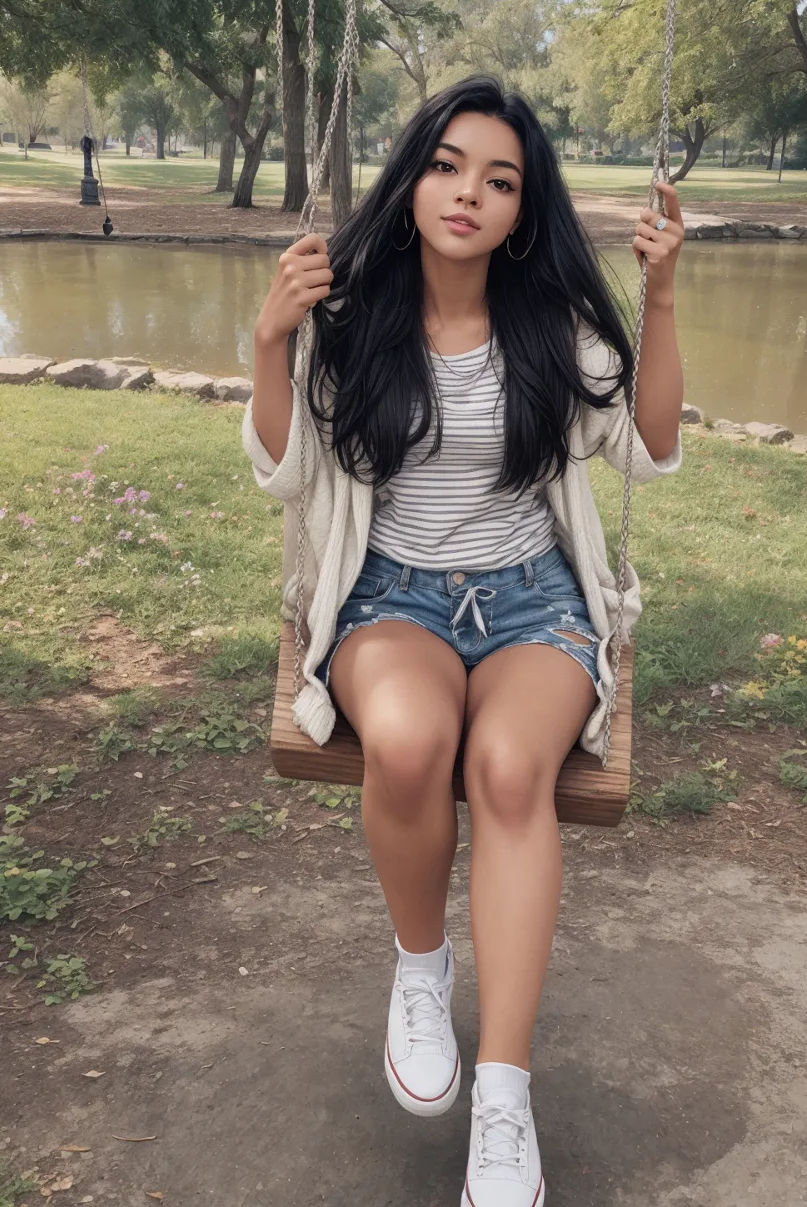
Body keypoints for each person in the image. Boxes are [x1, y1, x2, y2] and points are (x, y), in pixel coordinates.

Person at [243, 75, 684, 1206]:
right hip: (391, 597)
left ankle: (503, 1091)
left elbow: (646, 445)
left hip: (533, 601)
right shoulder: (352, 319)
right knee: (402, 742)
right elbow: (287, 473)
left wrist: (663, 295)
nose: (466, 193)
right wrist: (269, 340)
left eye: (499, 178)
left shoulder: (553, 327)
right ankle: (422, 972)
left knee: (504, 767)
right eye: (446, 165)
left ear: (521, 212)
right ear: (413, 180)